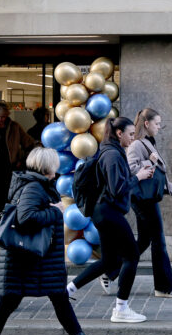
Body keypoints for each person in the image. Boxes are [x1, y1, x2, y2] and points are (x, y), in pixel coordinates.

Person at [0, 147, 111, 335]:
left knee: (59, 297)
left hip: (38, 260)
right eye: (55, 161)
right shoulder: (33, 187)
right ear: (47, 165)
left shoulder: (39, 184)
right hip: (25, 260)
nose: (58, 164)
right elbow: (26, 217)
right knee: (7, 303)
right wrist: (56, 211)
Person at [66, 117, 155, 323]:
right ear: (119, 133)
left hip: (103, 212)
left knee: (108, 260)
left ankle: (68, 289)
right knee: (132, 256)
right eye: (131, 134)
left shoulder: (109, 151)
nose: (133, 138)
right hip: (108, 212)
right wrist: (139, 177)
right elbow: (117, 189)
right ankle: (121, 309)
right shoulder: (113, 155)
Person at [121, 108, 172, 298]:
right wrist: (148, 162)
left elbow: (160, 176)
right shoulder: (137, 145)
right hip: (143, 199)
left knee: (144, 240)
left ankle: (110, 270)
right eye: (157, 123)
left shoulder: (148, 143)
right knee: (159, 241)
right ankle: (164, 287)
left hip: (148, 197)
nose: (159, 127)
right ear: (146, 123)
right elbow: (130, 170)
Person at [0, 102, 37, 216]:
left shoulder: (15, 127)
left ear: (7, 115)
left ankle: (7, 216)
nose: (0, 120)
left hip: (9, 166)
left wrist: (21, 160)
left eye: (3, 117)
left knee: (8, 193)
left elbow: (29, 144)